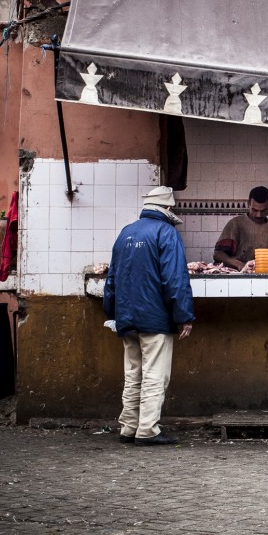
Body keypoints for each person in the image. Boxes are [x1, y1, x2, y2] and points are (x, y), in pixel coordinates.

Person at [103, 186, 195, 446]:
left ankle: (128, 427)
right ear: (167, 209)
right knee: (155, 374)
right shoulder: (166, 233)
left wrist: (112, 313)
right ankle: (148, 431)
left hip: (126, 317)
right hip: (155, 319)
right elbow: (175, 279)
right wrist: (184, 316)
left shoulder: (126, 233)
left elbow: (112, 278)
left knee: (133, 374)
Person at [214, 186, 268, 271]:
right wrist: (239, 264)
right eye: (254, 210)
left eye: (263, 211)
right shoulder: (235, 224)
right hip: (238, 277)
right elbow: (218, 254)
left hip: (264, 278)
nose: (259, 215)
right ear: (248, 204)